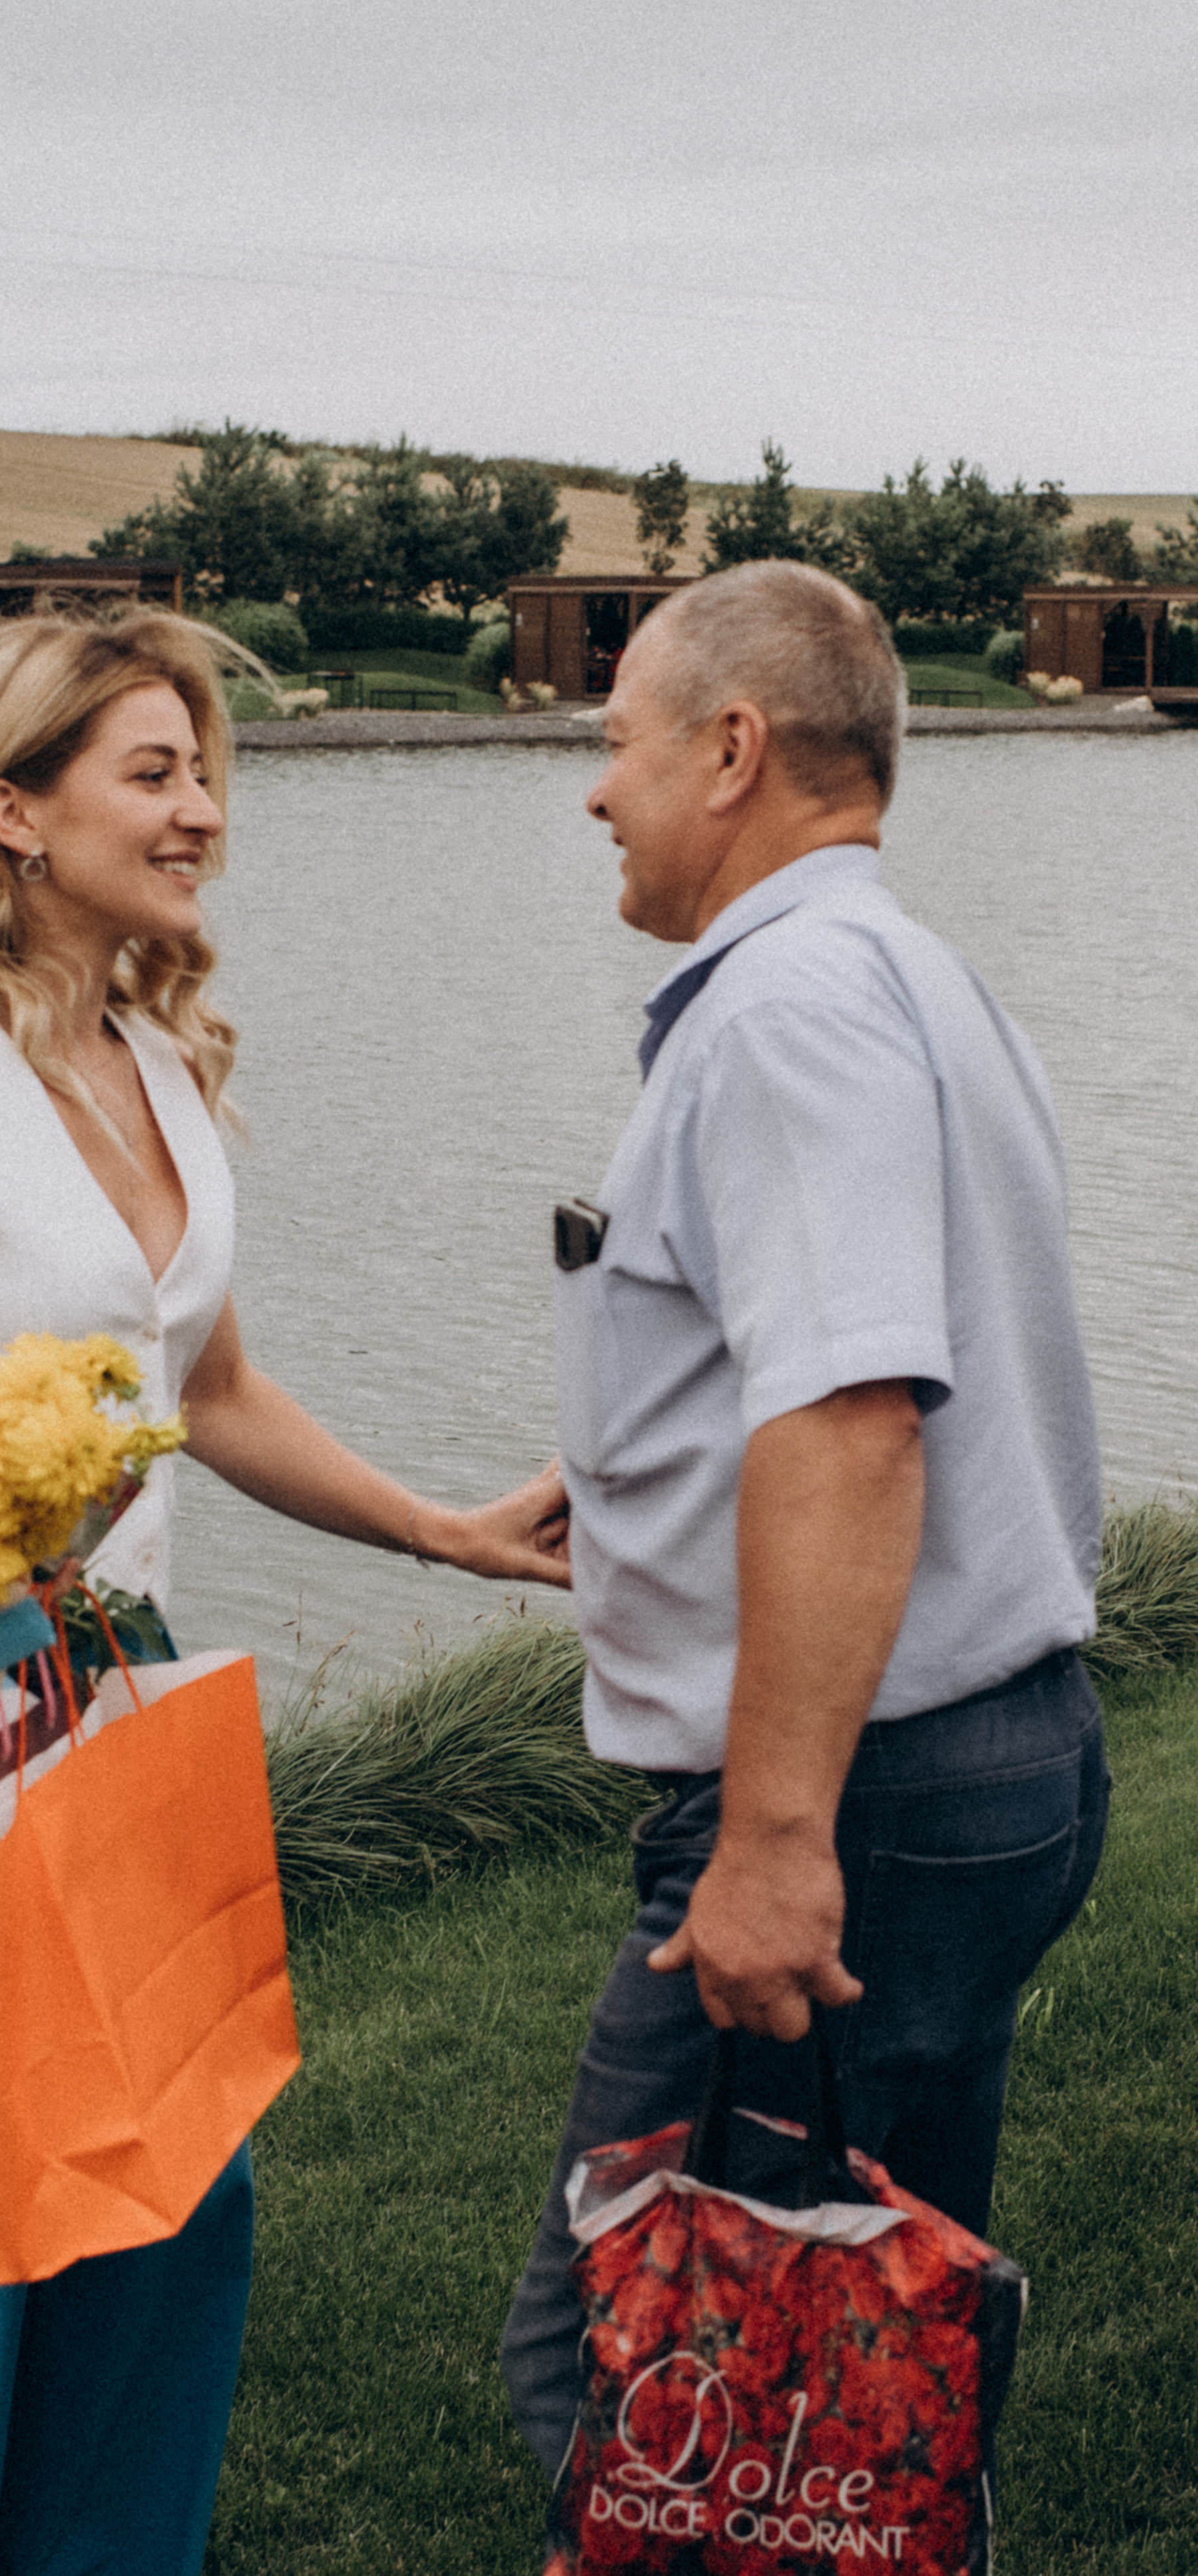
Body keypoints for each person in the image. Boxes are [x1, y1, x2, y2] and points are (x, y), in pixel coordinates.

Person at [0, 606, 569, 2576]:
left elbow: (217, 1390)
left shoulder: (157, 1065)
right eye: (154, 775)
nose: (201, 819)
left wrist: (446, 1531)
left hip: (120, 1688)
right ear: (11, 807)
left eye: (205, 777)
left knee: (148, 2207)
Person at [499, 560, 1109, 2484]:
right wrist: (638, 1476)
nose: (596, 791)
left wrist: (770, 1845)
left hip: (861, 1796)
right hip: (969, 1754)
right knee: (856, 2386)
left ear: (732, 751)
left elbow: (853, 1425)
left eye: (616, 746)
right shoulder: (909, 974)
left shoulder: (783, 1012)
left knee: (649, 2387)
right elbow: (841, 1360)